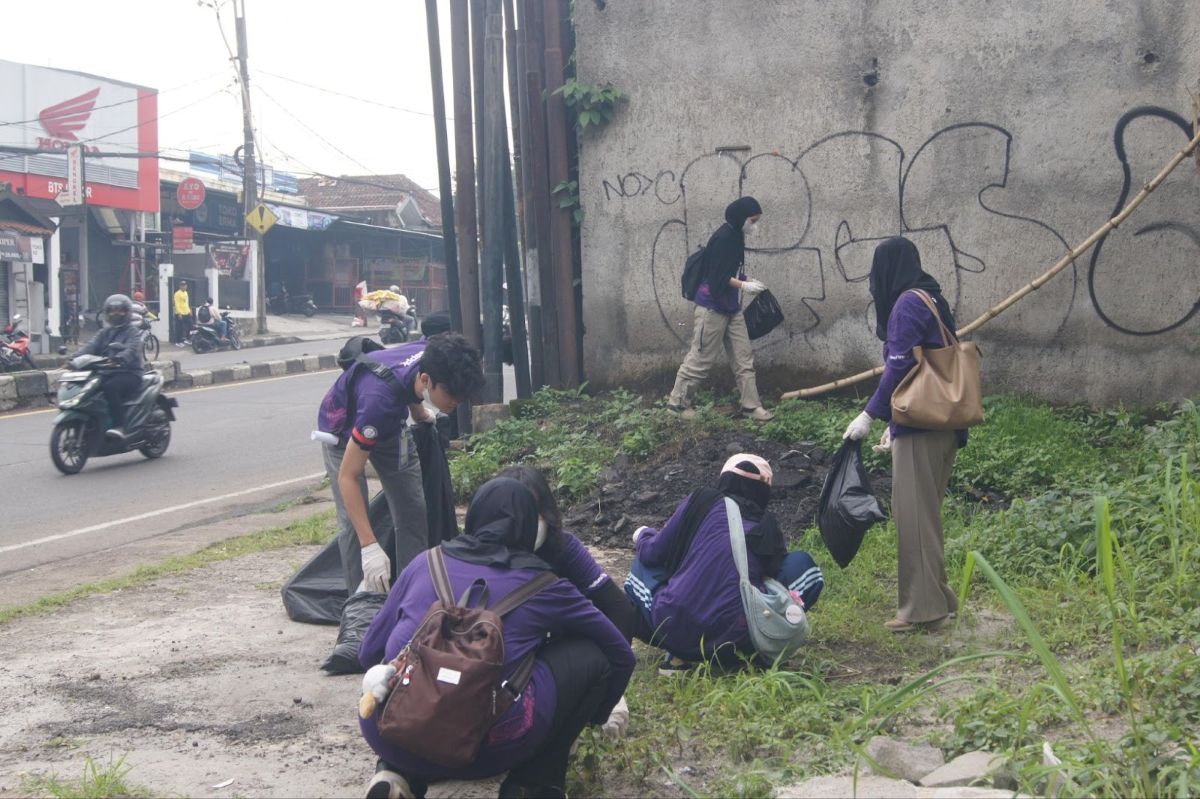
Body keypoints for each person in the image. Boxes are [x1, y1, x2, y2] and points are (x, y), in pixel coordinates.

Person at [358, 477, 636, 799]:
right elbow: (619, 653)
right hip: (490, 749)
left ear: (473, 517)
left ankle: (396, 774)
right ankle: (531, 786)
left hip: (388, 731)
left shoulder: (425, 562)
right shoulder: (545, 586)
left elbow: (368, 652)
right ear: (531, 526)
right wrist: (596, 715)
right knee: (590, 655)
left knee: (406, 675)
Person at [842, 236, 966, 633]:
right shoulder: (931, 297)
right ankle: (939, 599)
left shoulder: (907, 304)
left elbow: (899, 365)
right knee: (925, 517)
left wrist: (869, 416)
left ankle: (922, 611)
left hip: (922, 427)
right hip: (941, 424)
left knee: (913, 520)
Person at [317, 333, 485, 596]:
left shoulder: (434, 354)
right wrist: (370, 546)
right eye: (452, 395)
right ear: (428, 381)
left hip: (391, 425)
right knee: (353, 525)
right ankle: (359, 604)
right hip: (343, 428)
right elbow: (348, 477)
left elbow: (404, 380)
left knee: (413, 508)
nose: (457, 403)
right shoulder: (378, 404)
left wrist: (418, 411)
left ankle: (411, 593)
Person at [624, 454, 824, 673]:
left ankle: (677, 658)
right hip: (739, 639)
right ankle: (761, 650)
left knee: (643, 564)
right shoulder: (767, 525)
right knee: (804, 567)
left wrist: (643, 535)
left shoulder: (702, 500)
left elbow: (654, 552)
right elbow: (774, 575)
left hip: (675, 630)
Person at [668, 196, 775, 422]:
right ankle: (677, 405)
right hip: (712, 308)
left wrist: (747, 279)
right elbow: (718, 276)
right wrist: (744, 285)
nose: (755, 225)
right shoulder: (724, 238)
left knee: (743, 359)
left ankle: (751, 407)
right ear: (741, 218)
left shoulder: (736, 235)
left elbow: (731, 270)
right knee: (701, 358)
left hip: (731, 308)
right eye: (753, 220)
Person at [500, 466, 638, 640]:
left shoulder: (563, 545)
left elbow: (619, 607)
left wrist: (617, 662)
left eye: (534, 511)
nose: (528, 521)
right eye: (519, 512)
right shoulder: (476, 553)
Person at [68, 294, 146, 439]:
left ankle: (119, 426)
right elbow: (90, 347)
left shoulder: (133, 332)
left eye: (120, 310)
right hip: (107, 371)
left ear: (127, 312)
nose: (115, 314)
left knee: (111, 387)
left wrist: (120, 358)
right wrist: (72, 359)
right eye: (112, 311)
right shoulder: (104, 332)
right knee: (89, 389)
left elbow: (131, 350)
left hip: (129, 373)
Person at [172, 281, 192, 345]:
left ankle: (187, 339)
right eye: (182, 285)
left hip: (186, 312)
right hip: (180, 313)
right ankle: (178, 341)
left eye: (185, 285)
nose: (184, 286)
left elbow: (187, 303)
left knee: (190, 325)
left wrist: (189, 310)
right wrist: (179, 313)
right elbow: (177, 304)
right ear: (180, 286)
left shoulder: (186, 293)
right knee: (179, 328)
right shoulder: (177, 294)